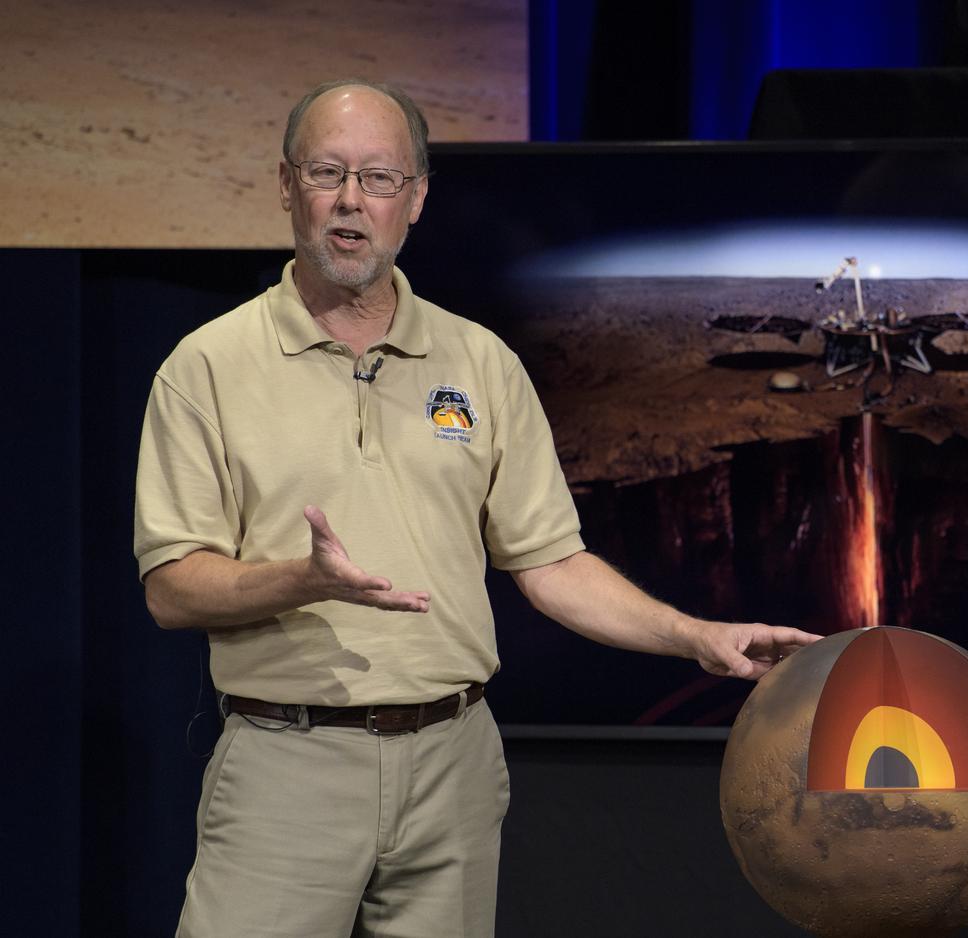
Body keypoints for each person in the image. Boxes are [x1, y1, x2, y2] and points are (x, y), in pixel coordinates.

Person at [134, 78, 820, 938]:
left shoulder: (481, 362)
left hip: (451, 765)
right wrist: (301, 580)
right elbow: (172, 588)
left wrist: (694, 636)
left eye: (380, 178)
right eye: (327, 172)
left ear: (416, 198)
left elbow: (550, 563)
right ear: (286, 187)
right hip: (287, 764)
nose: (352, 201)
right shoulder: (206, 367)